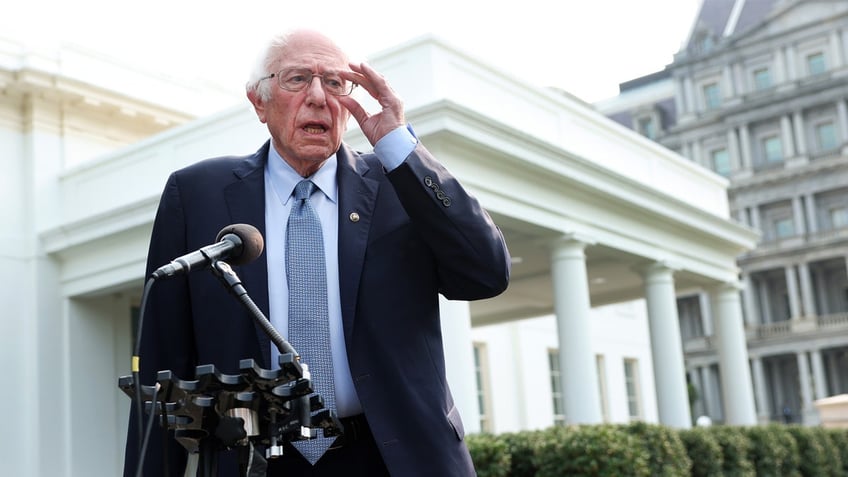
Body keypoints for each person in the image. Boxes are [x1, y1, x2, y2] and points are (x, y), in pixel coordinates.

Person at [123, 29, 510, 476]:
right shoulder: (197, 195)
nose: (318, 97)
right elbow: (163, 366)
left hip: (392, 457)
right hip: (254, 458)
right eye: (297, 79)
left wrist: (401, 146)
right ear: (259, 101)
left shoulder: (399, 182)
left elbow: (486, 274)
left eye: (334, 83)